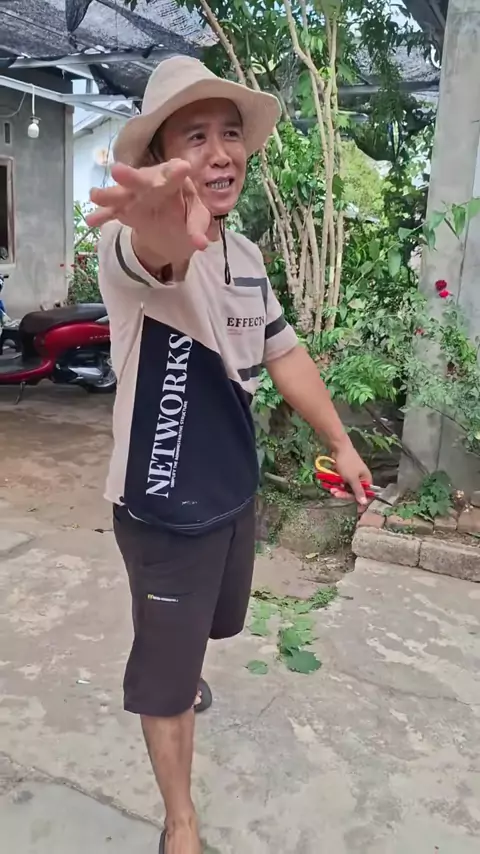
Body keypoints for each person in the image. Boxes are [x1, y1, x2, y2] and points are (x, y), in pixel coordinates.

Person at [87, 55, 372, 854]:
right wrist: (156, 225)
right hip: (161, 504)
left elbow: (284, 352)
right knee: (166, 676)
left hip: (230, 486)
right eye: (195, 138)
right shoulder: (128, 247)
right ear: (160, 157)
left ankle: (183, 667)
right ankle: (180, 821)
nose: (219, 154)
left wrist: (343, 443)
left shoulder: (245, 257)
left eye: (230, 135)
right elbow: (154, 251)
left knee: (216, 625)